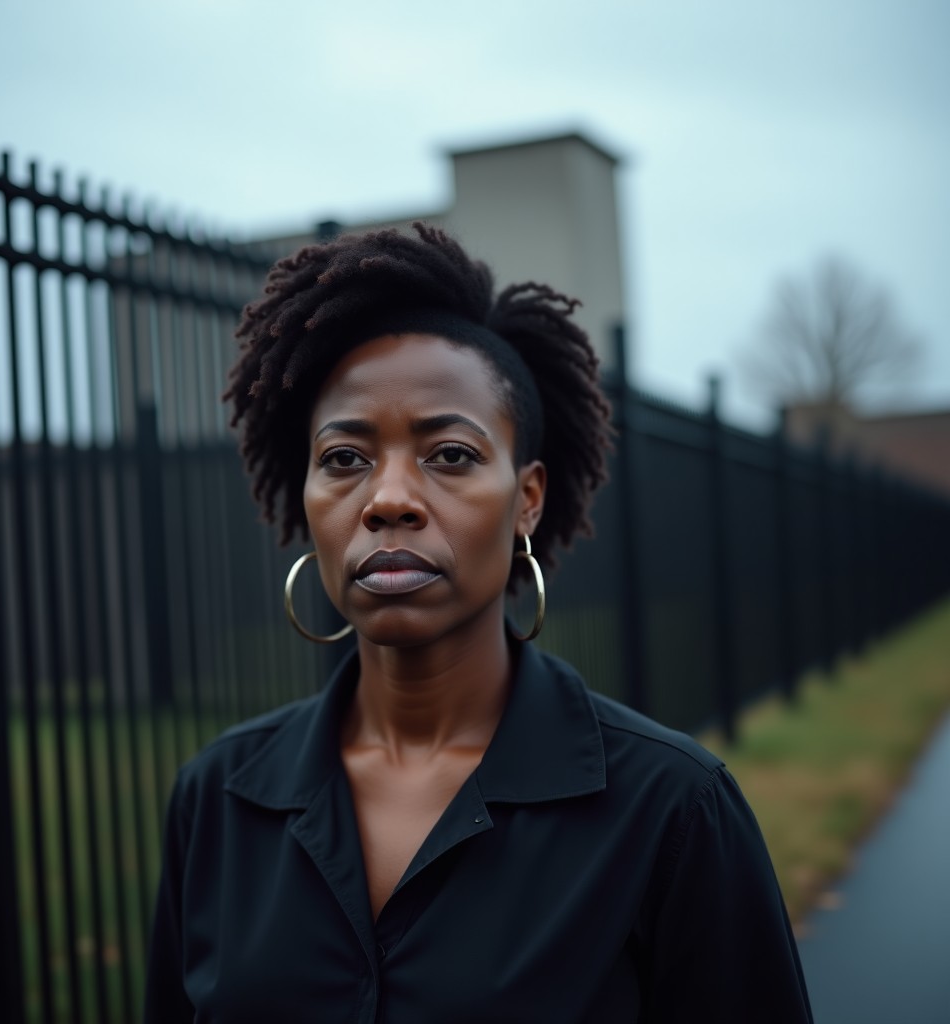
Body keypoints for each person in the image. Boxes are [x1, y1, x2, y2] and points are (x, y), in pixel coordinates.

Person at [144, 223, 813, 1022]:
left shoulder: (674, 810)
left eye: (450, 454)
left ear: (527, 499)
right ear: (308, 498)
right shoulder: (217, 799)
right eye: (345, 459)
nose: (389, 499)